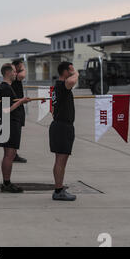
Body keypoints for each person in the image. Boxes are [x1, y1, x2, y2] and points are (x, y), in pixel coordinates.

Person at [0, 64, 31, 193]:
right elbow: (5, 110)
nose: (15, 74)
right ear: (8, 72)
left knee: (8, 155)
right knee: (9, 155)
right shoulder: (5, 88)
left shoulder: (5, 87)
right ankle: (6, 184)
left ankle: (6, 182)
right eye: (14, 71)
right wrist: (21, 101)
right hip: (9, 123)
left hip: (9, 123)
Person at [49, 62, 79, 201]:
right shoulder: (62, 85)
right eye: (71, 70)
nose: (73, 72)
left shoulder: (58, 86)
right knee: (61, 160)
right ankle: (58, 190)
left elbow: (53, 109)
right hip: (62, 127)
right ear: (65, 72)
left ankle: (59, 188)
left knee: (61, 160)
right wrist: (76, 73)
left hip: (60, 125)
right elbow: (72, 81)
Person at [11, 60, 28, 164]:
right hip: (16, 105)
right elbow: (22, 75)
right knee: (15, 131)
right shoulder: (15, 76)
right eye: (21, 66)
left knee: (17, 130)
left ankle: (14, 153)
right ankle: (13, 154)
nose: (23, 68)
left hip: (18, 105)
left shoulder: (14, 75)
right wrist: (22, 68)